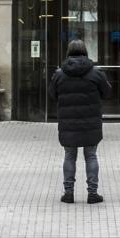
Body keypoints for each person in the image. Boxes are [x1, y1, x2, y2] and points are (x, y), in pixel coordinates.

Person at [48, 38, 113, 204]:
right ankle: (92, 193)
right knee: (91, 156)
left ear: (68, 52)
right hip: (90, 123)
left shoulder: (59, 74)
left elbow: (52, 95)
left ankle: (68, 193)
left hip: (68, 123)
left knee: (69, 156)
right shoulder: (96, 73)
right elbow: (107, 93)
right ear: (85, 51)